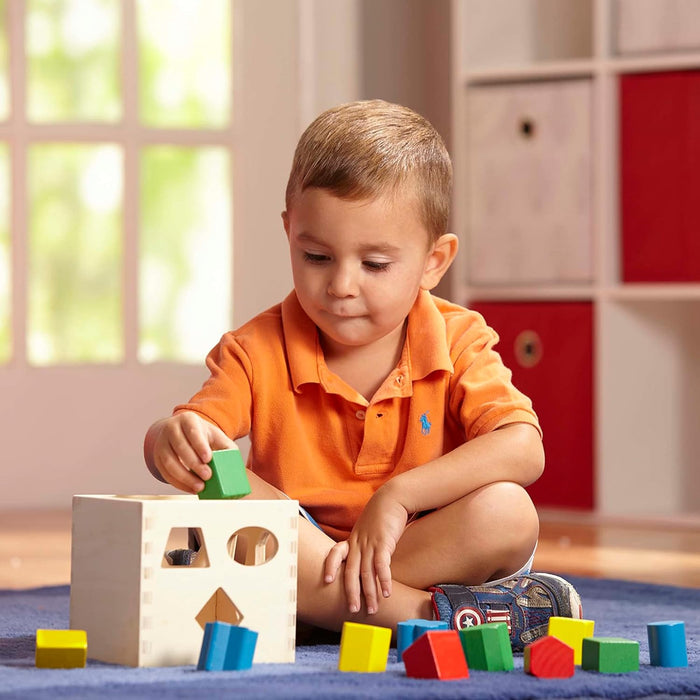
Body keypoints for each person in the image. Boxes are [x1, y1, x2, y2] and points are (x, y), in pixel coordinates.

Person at [143, 99, 581, 650]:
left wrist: (397, 497)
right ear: (290, 232)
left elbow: (524, 449)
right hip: (301, 547)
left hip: (416, 543)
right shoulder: (254, 349)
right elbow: (187, 435)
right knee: (220, 481)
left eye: (374, 265)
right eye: (317, 257)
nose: (342, 285)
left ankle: (312, 608)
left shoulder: (458, 336)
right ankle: (434, 620)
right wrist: (171, 438)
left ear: (434, 262)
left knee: (509, 511)